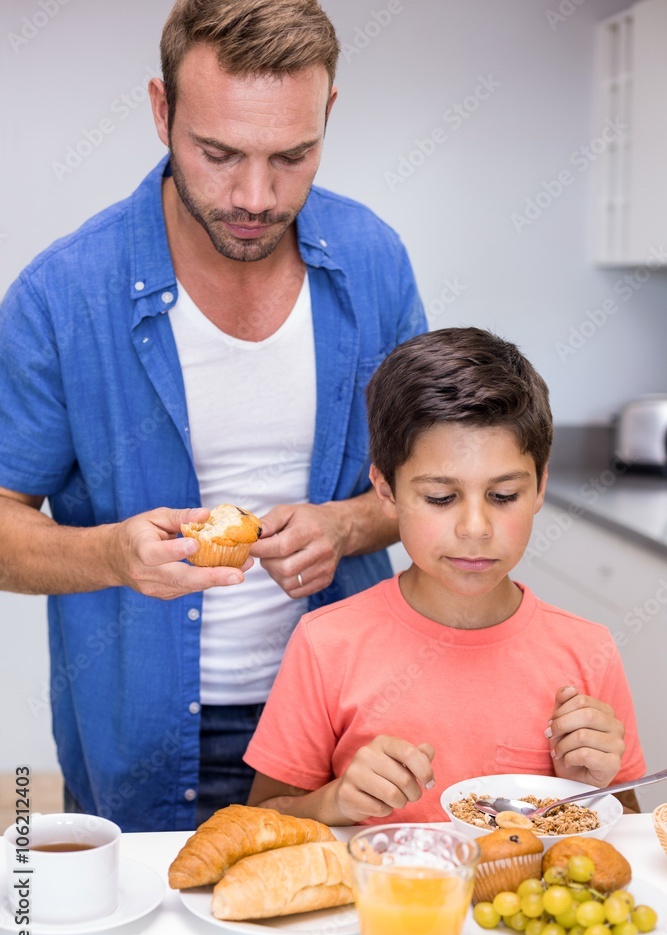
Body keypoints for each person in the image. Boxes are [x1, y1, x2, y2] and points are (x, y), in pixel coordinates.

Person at [0, 0, 426, 831]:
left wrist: (344, 525)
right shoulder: (62, 295)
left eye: (292, 156)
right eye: (218, 153)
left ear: (327, 115)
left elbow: (427, 484)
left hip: (349, 717)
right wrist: (112, 555)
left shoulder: (374, 260)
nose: (255, 197)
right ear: (162, 111)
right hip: (139, 735)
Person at [244, 327, 646, 825]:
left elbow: (631, 828)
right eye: (440, 498)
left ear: (540, 486)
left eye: (503, 497)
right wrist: (335, 802)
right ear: (386, 490)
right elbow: (260, 819)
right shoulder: (325, 646)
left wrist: (590, 785)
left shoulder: (589, 653)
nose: (474, 529)